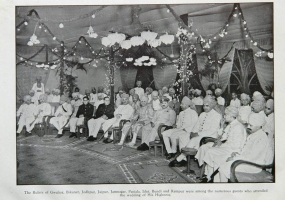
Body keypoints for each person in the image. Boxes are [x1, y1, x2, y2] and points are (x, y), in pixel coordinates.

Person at [196, 106, 246, 181]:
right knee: (205, 147)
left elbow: (236, 145)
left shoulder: (238, 127)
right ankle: (208, 175)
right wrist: (222, 126)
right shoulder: (230, 124)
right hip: (226, 146)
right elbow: (222, 137)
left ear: (231, 116)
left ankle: (210, 177)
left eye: (226, 115)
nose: (224, 116)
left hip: (232, 150)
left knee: (210, 151)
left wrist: (222, 145)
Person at [169, 96, 221, 167]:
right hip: (198, 134)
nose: (205, 107)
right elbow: (197, 125)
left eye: (207, 106)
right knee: (183, 136)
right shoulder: (202, 114)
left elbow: (212, 130)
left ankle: (180, 158)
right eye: (204, 106)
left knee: (194, 140)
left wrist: (198, 134)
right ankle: (184, 159)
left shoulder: (217, 116)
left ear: (212, 105)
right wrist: (193, 132)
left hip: (209, 136)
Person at [217, 113, 270, 182]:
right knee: (222, 164)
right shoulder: (254, 134)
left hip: (254, 165)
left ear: (259, 126)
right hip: (246, 160)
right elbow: (246, 151)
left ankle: (225, 189)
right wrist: (237, 154)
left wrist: (235, 158)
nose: (248, 127)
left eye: (251, 125)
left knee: (224, 168)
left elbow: (253, 156)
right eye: (248, 124)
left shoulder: (262, 138)